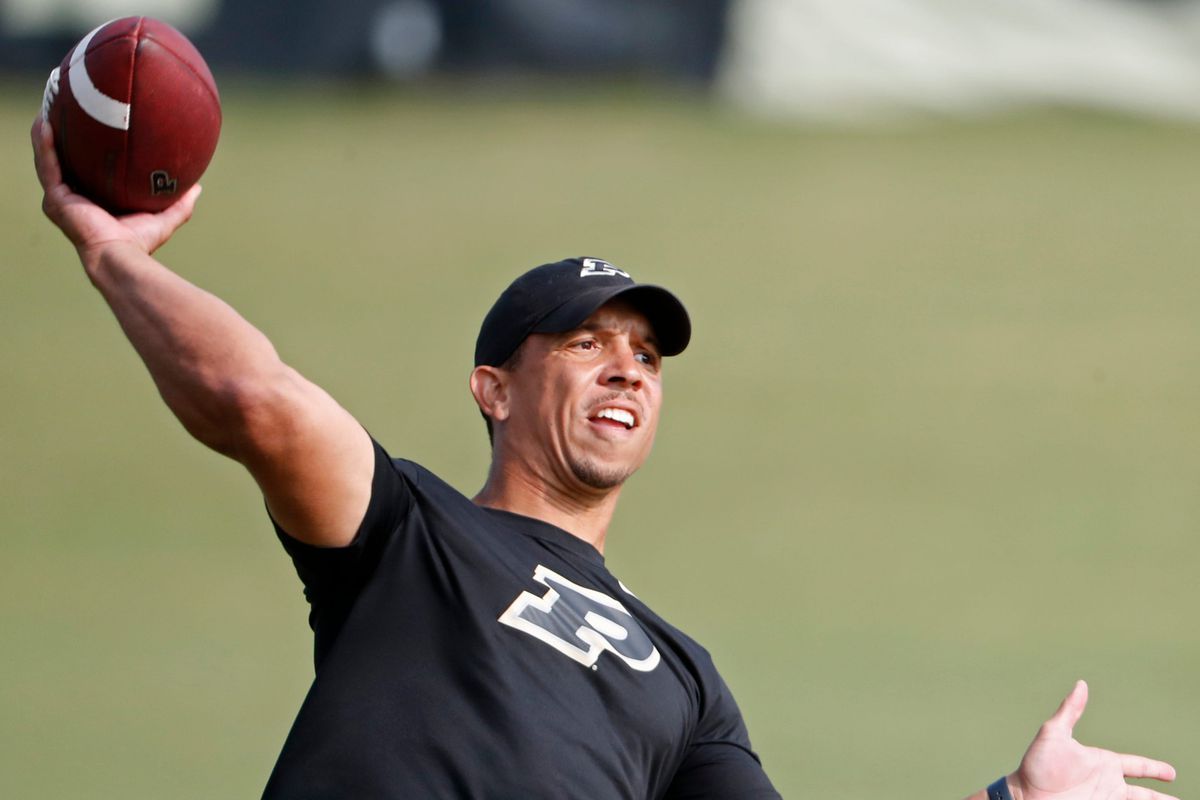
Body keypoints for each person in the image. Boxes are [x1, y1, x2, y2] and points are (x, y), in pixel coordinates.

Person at [31, 115, 1179, 800]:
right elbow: (250, 394)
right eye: (585, 343)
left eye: (647, 355)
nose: (628, 368)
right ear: (494, 388)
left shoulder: (683, 680)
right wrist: (110, 255)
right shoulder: (409, 531)